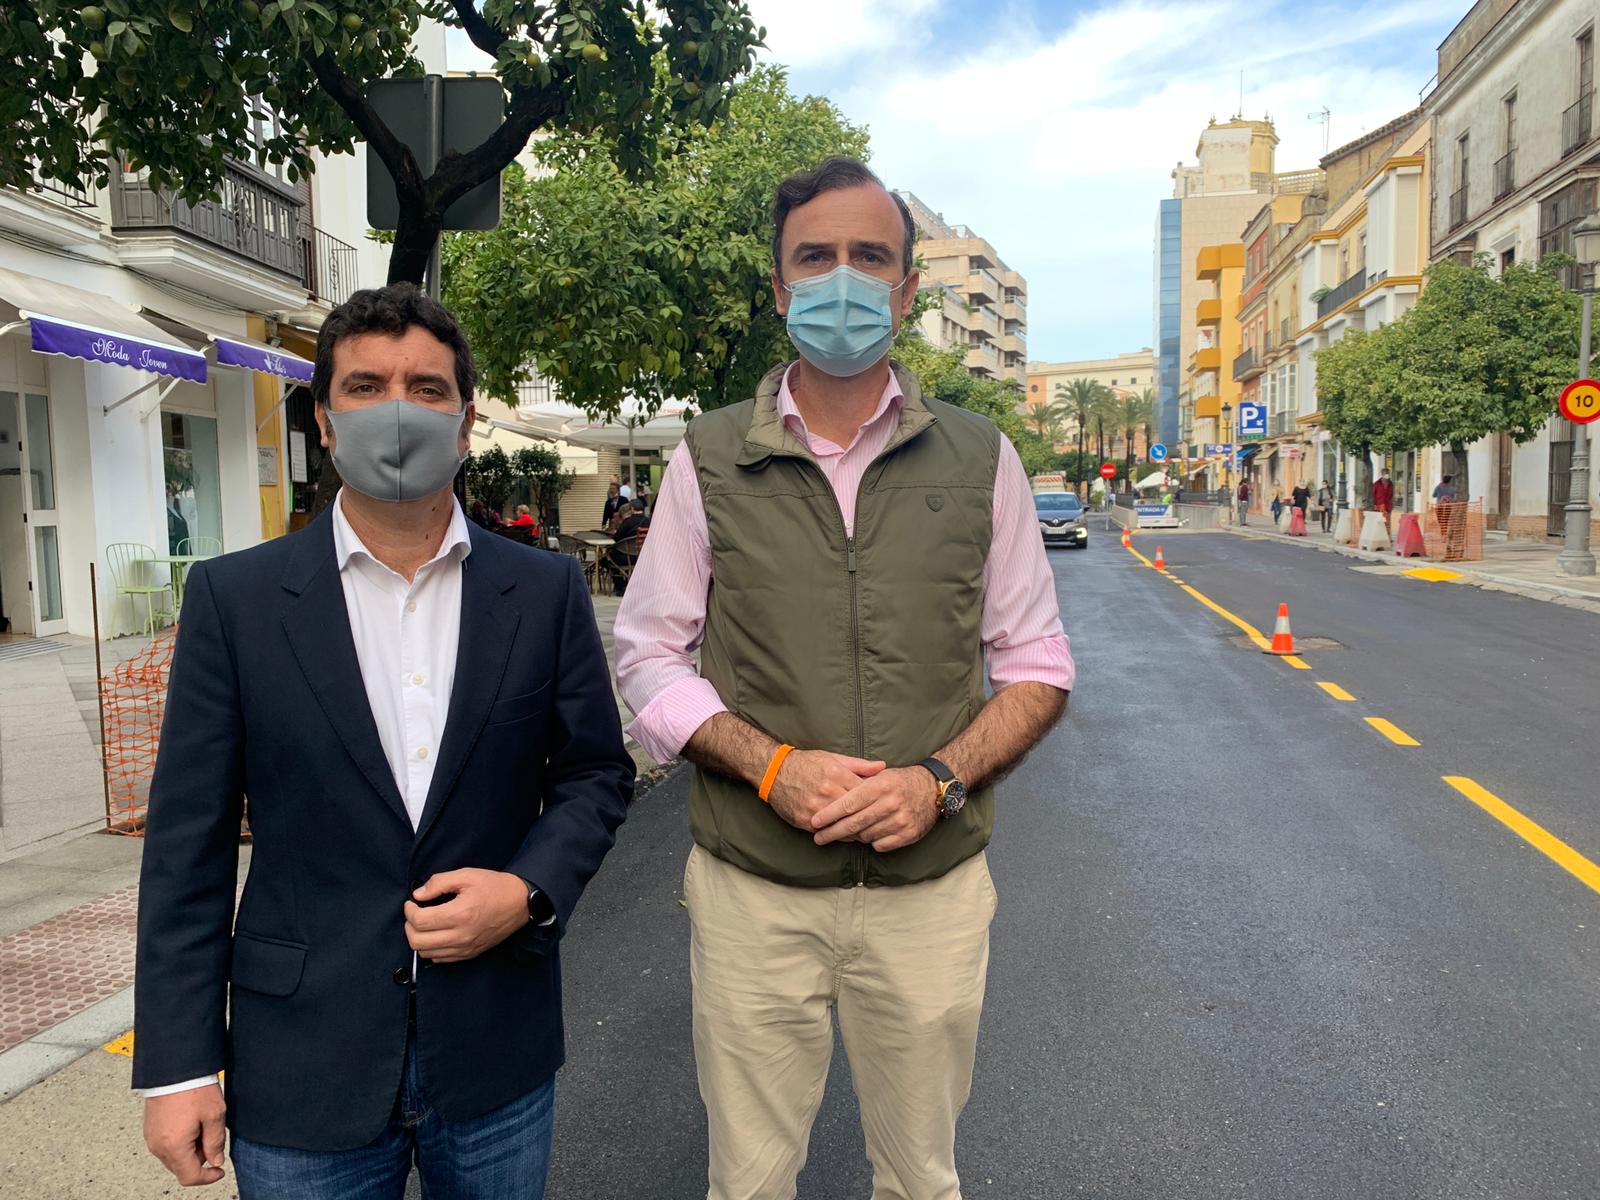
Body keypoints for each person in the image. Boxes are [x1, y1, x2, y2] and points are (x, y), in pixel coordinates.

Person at [615, 156, 1073, 1200]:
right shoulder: (708, 459)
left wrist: (936, 784)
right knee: (748, 1181)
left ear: (908, 290)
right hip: (751, 895)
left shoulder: (979, 458)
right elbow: (645, 652)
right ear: (777, 288)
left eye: (869, 257)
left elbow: (1037, 666)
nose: (841, 281)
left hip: (929, 896)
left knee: (921, 1180)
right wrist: (767, 765)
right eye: (814, 257)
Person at [133, 283, 634, 1199]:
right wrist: (178, 1068)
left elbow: (597, 773)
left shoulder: (543, 593)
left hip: (494, 1054)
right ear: (324, 422)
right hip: (301, 1065)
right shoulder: (233, 601)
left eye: (427, 388)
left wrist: (527, 890)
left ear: (466, 420)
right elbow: (186, 848)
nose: (397, 410)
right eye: (365, 387)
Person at [604, 498, 650, 596]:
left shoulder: (628, 522)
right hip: (645, 557)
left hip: (626, 557)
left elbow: (617, 538)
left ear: (632, 509)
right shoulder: (649, 521)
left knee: (606, 559)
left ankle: (621, 587)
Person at [1372, 467, 1395, 534]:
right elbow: (1373, 495)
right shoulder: (1377, 484)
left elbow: (1392, 495)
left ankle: (1388, 536)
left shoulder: (1391, 484)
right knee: (1379, 522)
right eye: (1385, 473)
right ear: (1382, 474)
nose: (1387, 475)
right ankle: (1379, 535)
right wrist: (1374, 504)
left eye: (1387, 473)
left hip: (1388, 506)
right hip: (1379, 506)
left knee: (1387, 522)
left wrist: (1392, 504)